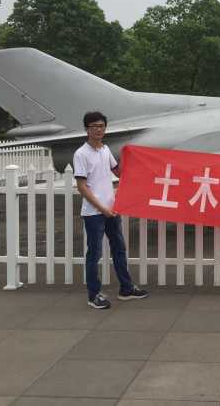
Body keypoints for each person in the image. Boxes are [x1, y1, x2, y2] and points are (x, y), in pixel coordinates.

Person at [73, 111, 148, 309]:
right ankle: (93, 295)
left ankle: (126, 288)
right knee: (94, 254)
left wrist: (132, 156)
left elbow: (118, 172)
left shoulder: (105, 149)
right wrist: (102, 208)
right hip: (94, 213)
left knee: (119, 249)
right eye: (94, 126)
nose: (98, 130)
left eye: (101, 126)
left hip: (112, 209)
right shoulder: (81, 154)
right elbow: (82, 186)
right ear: (87, 129)